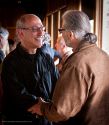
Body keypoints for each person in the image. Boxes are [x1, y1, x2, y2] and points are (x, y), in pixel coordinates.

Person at [28, 10, 109, 125]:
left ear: (70, 34)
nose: (61, 34)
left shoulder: (77, 62)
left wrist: (42, 108)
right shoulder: (103, 55)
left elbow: (62, 110)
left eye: (61, 30)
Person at [1, 14, 59, 125]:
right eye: (35, 29)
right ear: (20, 33)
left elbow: (57, 84)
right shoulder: (10, 62)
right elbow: (17, 94)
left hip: (47, 120)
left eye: (42, 28)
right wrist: (40, 104)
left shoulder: (46, 58)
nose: (42, 33)